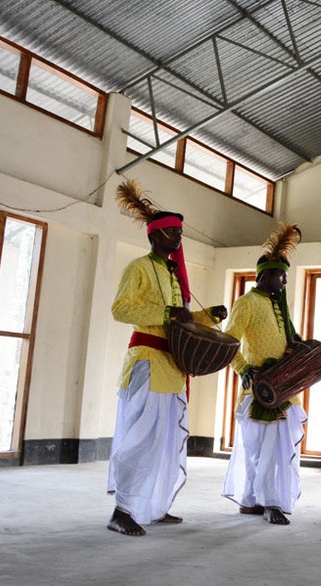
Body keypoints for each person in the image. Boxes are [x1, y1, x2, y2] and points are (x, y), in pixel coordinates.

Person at [108, 180, 227, 537]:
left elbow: (181, 319)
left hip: (173, 369)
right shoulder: (139, 268)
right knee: (141, 440)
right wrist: (165, 314)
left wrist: (209, 317)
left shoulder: (173, 274)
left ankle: (154, 505)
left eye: (179, 232)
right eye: (173, 232)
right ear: (156, 236)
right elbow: (121, 309)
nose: (178, 238)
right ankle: (122, 510)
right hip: (146, 362)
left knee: (163, 444)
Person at [221, 223, 307, 526]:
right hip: (258, 391)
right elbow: (228, 341)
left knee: (272, 450)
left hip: (283, 390)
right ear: (264, 275)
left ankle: (251, 500)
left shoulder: (279, 307)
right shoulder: (247, 302)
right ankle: (269, 503)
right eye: (280, 274)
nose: (284, 280)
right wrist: (244, 368)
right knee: (261, 451)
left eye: (285, 275)